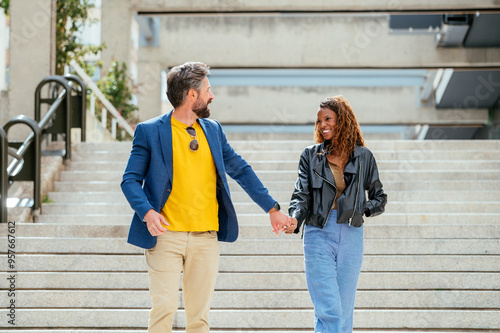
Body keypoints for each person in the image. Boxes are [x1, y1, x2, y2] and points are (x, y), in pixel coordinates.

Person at [121, 61, 290, 333]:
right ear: (192, 95)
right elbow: (130, 179)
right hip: (166, 236)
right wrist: (147, 211)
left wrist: (272, 208)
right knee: (163, 310)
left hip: (206, 238)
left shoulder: (213, 130)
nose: (212, 95)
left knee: (199, 319)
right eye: (208, 90)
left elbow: (241, 170)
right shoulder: (150, 131)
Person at [283, 96, 387, 333]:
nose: (322, 125)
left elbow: (380, 197)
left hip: (351, 233)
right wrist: (295, 218)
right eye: (319, 121)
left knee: (344, 310)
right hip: (318, 232)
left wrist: (363, 208)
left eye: (327, 119)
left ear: (342, 120)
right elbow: (301, 194)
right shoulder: (310, 156)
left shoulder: (364, 157)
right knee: (330, 309)